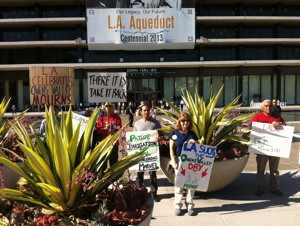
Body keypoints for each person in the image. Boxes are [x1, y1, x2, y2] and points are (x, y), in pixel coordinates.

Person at [249, 99, 286, 197]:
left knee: (274, 170)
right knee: (260, 170)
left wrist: (280, 125)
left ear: (273, 107)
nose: (268, 108)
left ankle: (275, 188)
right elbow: (250, 127)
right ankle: (260, 188)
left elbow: (285, 128)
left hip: (274, 149)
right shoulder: (257, 117)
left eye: (270, 106)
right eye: (266, 106)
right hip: (262, 149)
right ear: (262, 108)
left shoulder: (277, 117)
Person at [169, 112, 198, 216]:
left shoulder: (192, 134)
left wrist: (195, 143)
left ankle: (189, 204)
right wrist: (174, 160)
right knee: (179, 183)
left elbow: (198, 148)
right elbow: (171, 148)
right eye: (183, 121)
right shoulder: (174, 133)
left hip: (190, 161)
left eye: (187, 121)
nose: (185, 123)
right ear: (179, 122)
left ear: (189, 122)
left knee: (190, 183)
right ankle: (177, 204)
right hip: (179, 159)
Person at [134, 104, 163, 202]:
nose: (146, 112)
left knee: (152, 174)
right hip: (141, 153)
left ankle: (153, 194)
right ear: (141, 112)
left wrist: (159, 138)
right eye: (144, 110)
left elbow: (162, 135)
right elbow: (133, 138)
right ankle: (138, 193)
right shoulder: (137, 124)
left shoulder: (155, 123)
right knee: (139, 173)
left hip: (152, 153)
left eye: (148, 110)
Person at [96, 102, 122, 168]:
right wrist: (105, 129)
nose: (109, 108)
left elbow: (120, 129)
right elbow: (98, 130)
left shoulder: (117, 118)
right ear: (105, 108)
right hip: (104, 144)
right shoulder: (101, 118)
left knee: (113, 162)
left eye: (110, 106)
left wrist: (112, 132)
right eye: (107, 106)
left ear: (113, 107)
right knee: (103, 163)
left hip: (114, 143)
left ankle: (113, 177)